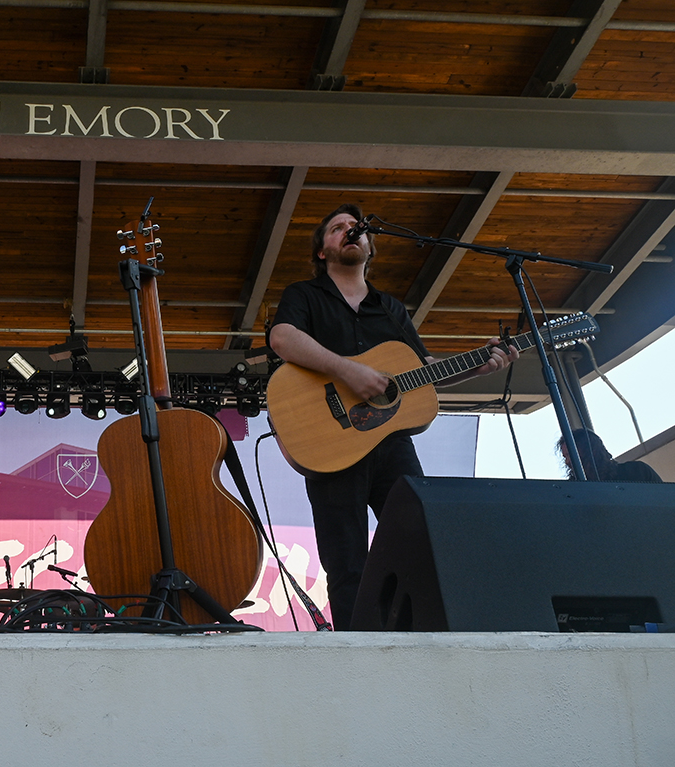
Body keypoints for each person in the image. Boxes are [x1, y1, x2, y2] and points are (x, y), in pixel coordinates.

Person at [268, 204, 518, 630]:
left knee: (422, 544)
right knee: (347, 565)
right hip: (332, 447)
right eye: (337, 228)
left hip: (392, 446)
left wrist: (477, 366)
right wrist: (348, 370)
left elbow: (421, 373)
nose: (350, 231)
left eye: (355, 228)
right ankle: (356, 663)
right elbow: (283, 337)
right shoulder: (304, 295)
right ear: (323, 252)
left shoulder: (391, 309)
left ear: (370, 247)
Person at [560, 428, 662, 483]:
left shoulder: (637, 472)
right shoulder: (571, 490)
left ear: (592, 451)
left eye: (570, 455)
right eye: (565, 457)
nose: (567, 462)